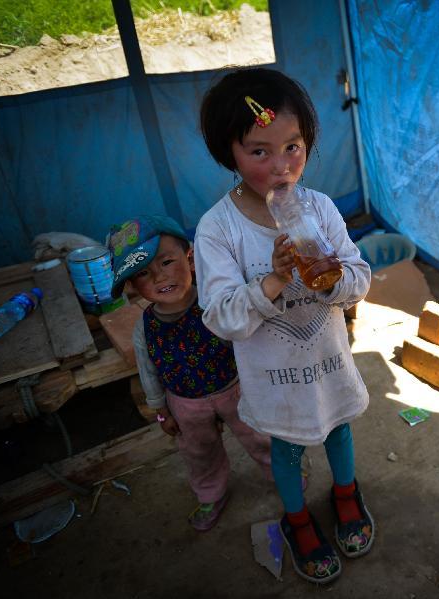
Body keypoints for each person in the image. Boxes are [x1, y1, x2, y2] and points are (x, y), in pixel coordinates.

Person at [194, 68, 374, 585]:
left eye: (293, 146)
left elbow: (359, 280)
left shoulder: (318, 208)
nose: (281, 166)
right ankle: (297, 520)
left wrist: (330, 277)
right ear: (228, 152)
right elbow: (222, 317)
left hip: (328, 362)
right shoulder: (218, 229)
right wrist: (273, 279)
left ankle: (345, 493)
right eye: (259, 152)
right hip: (274, 378)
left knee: (339, 427)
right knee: (288, 449)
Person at [107, 215, 273, 532]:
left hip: (236, 389)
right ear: (131, 286)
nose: (159, 277)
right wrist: (160, 411)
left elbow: (248, 339)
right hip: (185, 404)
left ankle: (283, 473)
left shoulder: (215, 302)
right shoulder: (145, 327)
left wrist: (263, 380)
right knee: (199, 453)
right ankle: (211, 493)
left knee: (260, 436)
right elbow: (148, 369)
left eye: (167, 262)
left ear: (191, 258)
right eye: (143, 273)